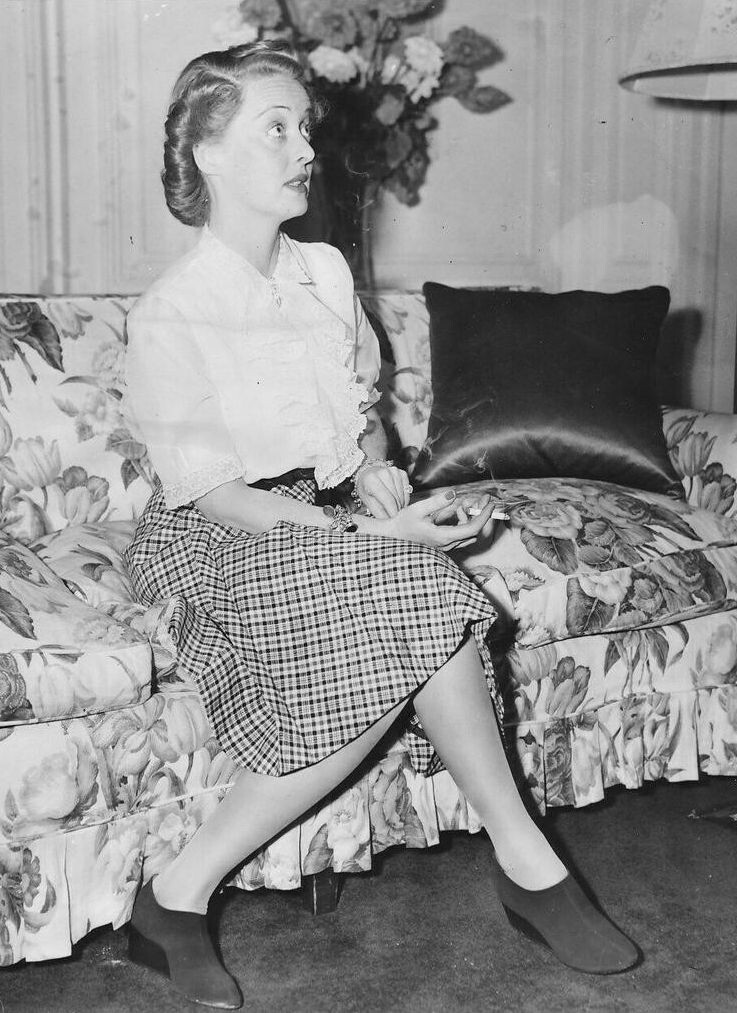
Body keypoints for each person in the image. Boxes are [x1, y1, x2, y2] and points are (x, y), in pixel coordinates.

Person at [122, 40, 641, 1010]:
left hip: (326, 510)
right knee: (414, 587)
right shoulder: (170, 314)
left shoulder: (324, 272)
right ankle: (526, 863)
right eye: (276, 128)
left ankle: (177, 895)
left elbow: (360, 418)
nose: (303, 148)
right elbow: (219, 495)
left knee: (414, 582)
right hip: (219, 533)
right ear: (206, 151)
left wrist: (383, 488)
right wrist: (371, 539)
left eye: (304, 128)